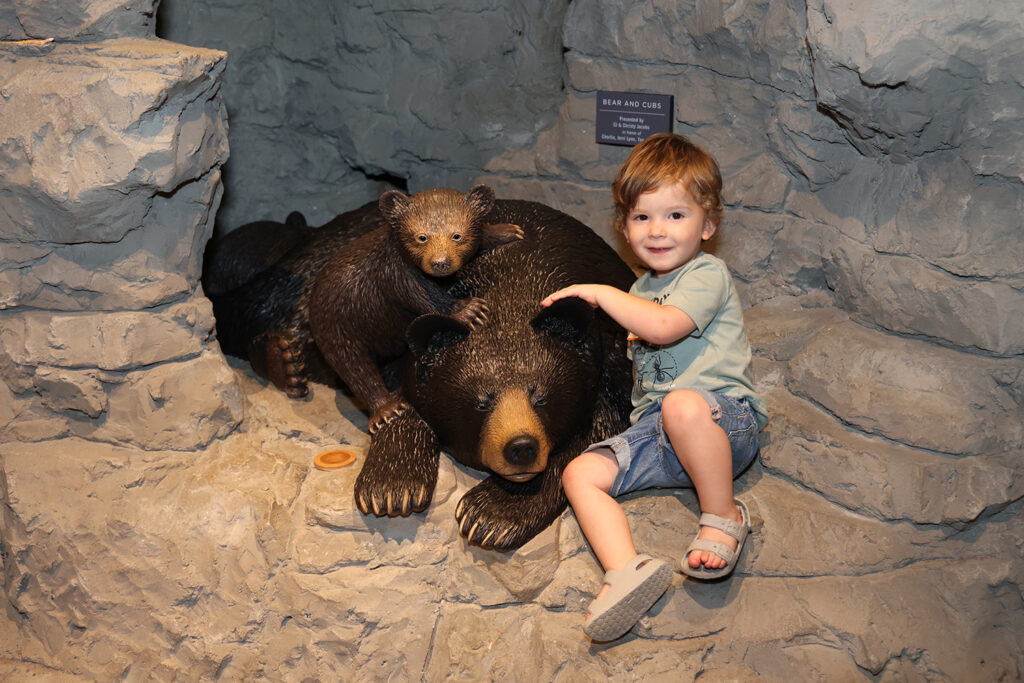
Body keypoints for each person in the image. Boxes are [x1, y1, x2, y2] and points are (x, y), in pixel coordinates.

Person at [541, 132, 768, 642]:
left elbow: (664, 328)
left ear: (708, 225)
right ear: (623, 226)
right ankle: (625, 571)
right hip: (660, 435)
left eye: (675, 215)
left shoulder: (708, 274)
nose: (657, 230)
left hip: (722, 423)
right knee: (580, 474)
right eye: (642, 217)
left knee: (683, 406)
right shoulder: (640, 290)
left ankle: (723, 516)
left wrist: (599, 293)